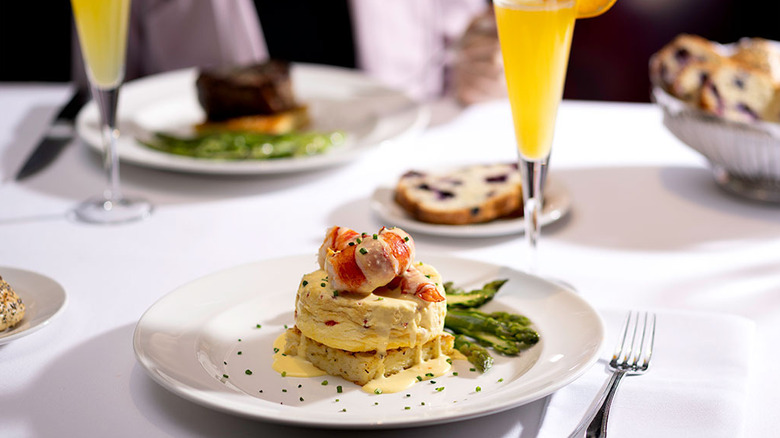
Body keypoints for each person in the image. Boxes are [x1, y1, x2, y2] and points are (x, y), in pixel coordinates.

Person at [71, 0, 507, 105]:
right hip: (197, 190)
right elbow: (99, 81)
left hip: (391, 159)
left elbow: (468, 43)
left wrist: (483, 66)